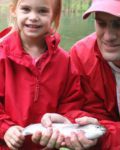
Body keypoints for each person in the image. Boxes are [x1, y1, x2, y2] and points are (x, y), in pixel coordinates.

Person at [38, 0, 120, 149]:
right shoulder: (81, 56)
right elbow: (80, 110)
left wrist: (103, 135)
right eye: (101, 23)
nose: (108, 37)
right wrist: (71, 123)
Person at [0, 0, 94, 149]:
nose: (33, 17)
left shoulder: (65, 61)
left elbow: (71, 103)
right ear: (13, 11)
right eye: (26, 9)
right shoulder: (2, 55)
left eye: (42, 11)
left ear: (54, 16)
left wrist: (68, 122)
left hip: (48, 145)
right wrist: (5, 128)